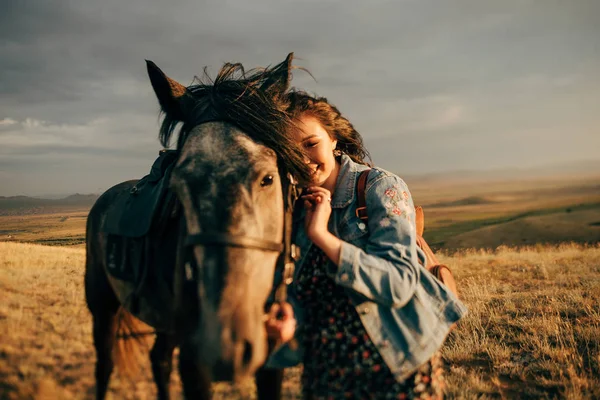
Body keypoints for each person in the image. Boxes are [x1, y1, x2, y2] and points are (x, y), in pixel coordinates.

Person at [265, 90, 467, 399]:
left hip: (395, 367)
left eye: (311, 144)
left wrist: (322, 236)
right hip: (326, 372)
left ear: (333, 139)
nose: (303, 160)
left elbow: (399, 283)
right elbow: (306, 292)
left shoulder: (378, 187)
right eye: (291, 151)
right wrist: (291, 318)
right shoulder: (293, 207)